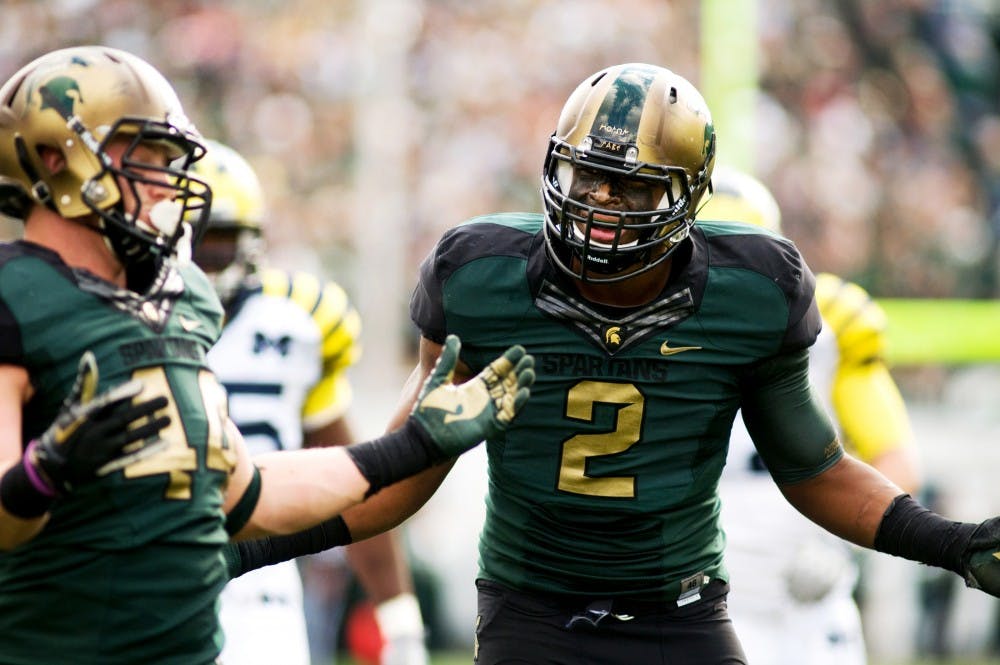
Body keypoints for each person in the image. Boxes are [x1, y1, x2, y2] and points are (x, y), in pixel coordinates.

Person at [245, 62, 1000, 665]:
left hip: (680, 612)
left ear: (688, 196)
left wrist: (952, 542)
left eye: (633, 186)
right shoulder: (477, 277)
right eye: (588, 177)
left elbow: (816, 469)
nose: (602, 203)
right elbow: (400, 471)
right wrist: (254, 550)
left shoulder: (753, 293)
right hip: (528, 607)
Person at [0, 45, 534, 665]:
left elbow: (242, 494)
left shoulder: (181, 299)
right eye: (145, 160)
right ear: (53, 159)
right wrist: (48, 471)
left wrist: (415, 444)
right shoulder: (15, 296)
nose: (165, 186)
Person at [189, 140, 430, 665]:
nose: (204, 262)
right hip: (163, 574)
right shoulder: (123, 318)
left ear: (251, 243)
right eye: (191, 243)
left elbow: (351, 479)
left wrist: (398, 618)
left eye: (218, 242)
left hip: (262, 591)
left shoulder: (297, 322)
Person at [701, 166, 922, 665]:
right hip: (699, 588)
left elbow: (894, 455)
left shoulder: (832, 323)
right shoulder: (649, 326)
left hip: (806, 585)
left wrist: (845, 545)